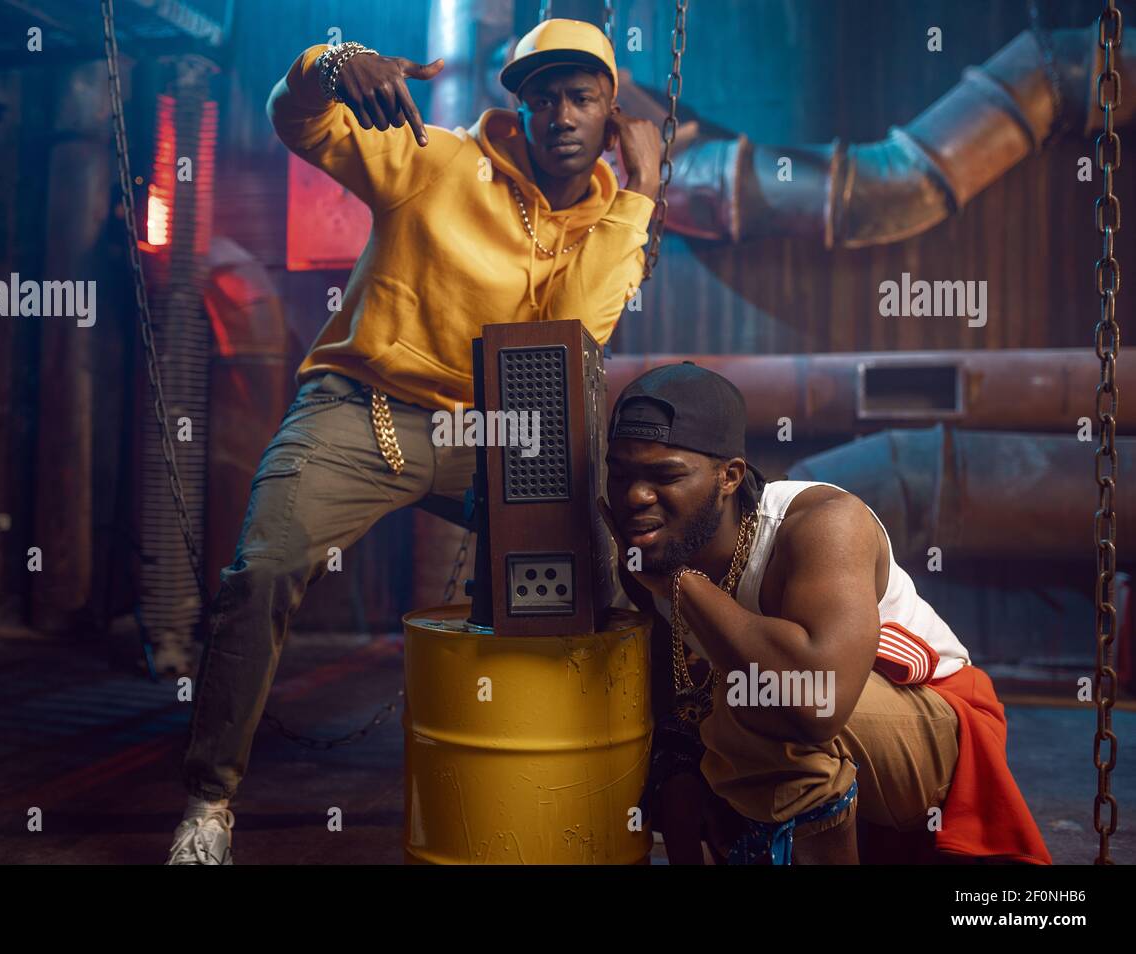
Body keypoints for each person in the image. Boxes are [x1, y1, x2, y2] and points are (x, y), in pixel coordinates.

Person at [166, 18, 663, 864]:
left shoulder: (612, 222)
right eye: (544, 97)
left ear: (612, 112)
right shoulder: (436, 159)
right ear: (522, 108)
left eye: (582, 97)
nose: (561, 115)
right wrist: (326, 64)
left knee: (611, 568)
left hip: (491, 436)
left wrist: (643, 193)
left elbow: (581, 326)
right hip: (360, 409)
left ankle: (627, 794)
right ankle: (208, 804)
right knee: (264, 567)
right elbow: (300, 122)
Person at [599, 362, 1052, 865]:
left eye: (665, 476)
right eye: (621, 474)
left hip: (936, 731)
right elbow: (679, 700)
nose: (636, 497)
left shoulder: (823, 525)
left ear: (729, 476)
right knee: (690, 735)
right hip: (821, 742)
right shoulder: (653, 557)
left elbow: (815, 702)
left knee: (753, 698)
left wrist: (679, 583)